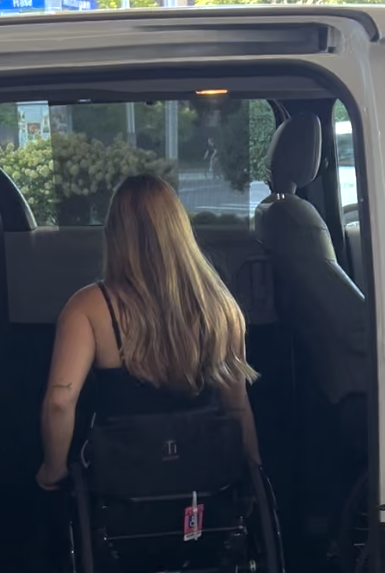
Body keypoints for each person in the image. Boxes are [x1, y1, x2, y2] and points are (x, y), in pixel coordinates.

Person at [36, 173, 260, 490]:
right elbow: (237, 406)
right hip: (206, 483)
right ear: (180, 230)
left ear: (114, 234)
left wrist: (52, 471)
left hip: (123, 486)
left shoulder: (88, 307)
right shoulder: (222, 308)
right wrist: (253, 473)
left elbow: (60, 401)